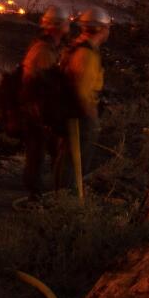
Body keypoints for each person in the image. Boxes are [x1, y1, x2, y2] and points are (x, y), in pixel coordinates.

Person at [16, 12, 73, 199]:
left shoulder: (50, 47)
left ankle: (51, 189)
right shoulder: (43, 50)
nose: (68, 26)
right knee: (37, 151)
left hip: (40, 106)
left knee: (50, 149)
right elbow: (45, 81)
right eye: (65, 23)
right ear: (56, 26)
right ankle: (35, 193)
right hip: (35, 108)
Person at [59, 12, 106, 192]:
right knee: (75, 158)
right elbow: (81, 90)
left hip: (72, 110)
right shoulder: (85, 54)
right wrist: (91, 116)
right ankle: (66, 200)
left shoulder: (80, 47)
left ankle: (64, 197)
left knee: (70, 157)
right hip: (79, 114)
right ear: (100, 29)